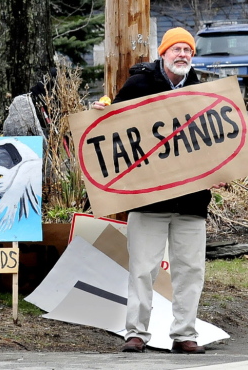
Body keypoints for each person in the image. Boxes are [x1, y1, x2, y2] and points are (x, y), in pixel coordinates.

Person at [90, 27, 213, 354]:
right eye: (177, 49)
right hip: (148, 201)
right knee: (142, 270)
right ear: (164, 53)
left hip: (191, 202)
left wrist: (220, 170)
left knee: (190, 272)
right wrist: (101, 113)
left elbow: (215, 145)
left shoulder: (203, 92)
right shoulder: (138, 85)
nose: (183, 55)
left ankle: (185, 334)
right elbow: (113, 132)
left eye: (188, 50)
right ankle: (136, 333)